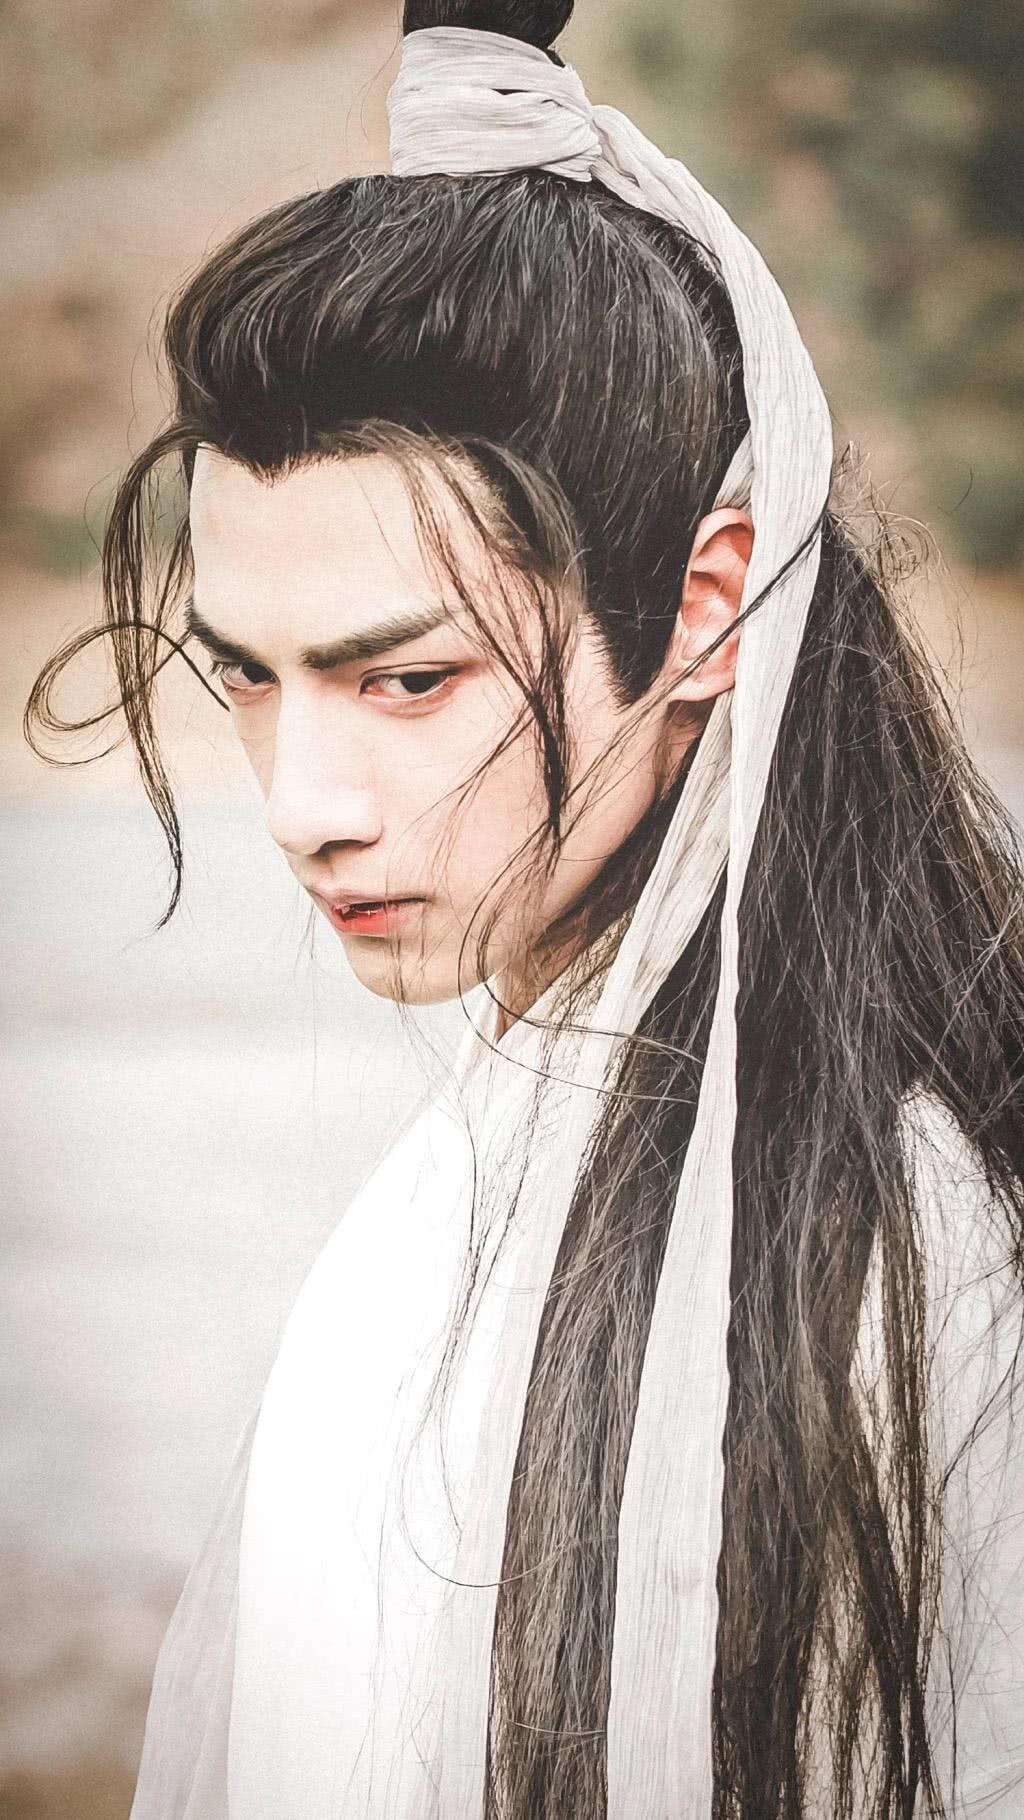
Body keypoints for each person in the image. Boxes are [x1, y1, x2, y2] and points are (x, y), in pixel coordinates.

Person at [26, 3, 1024, 1816]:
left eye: (406, 679)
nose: (303, 808)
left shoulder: (907, 1270)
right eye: (245, 675)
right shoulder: (486, 1168)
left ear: (706, 610)